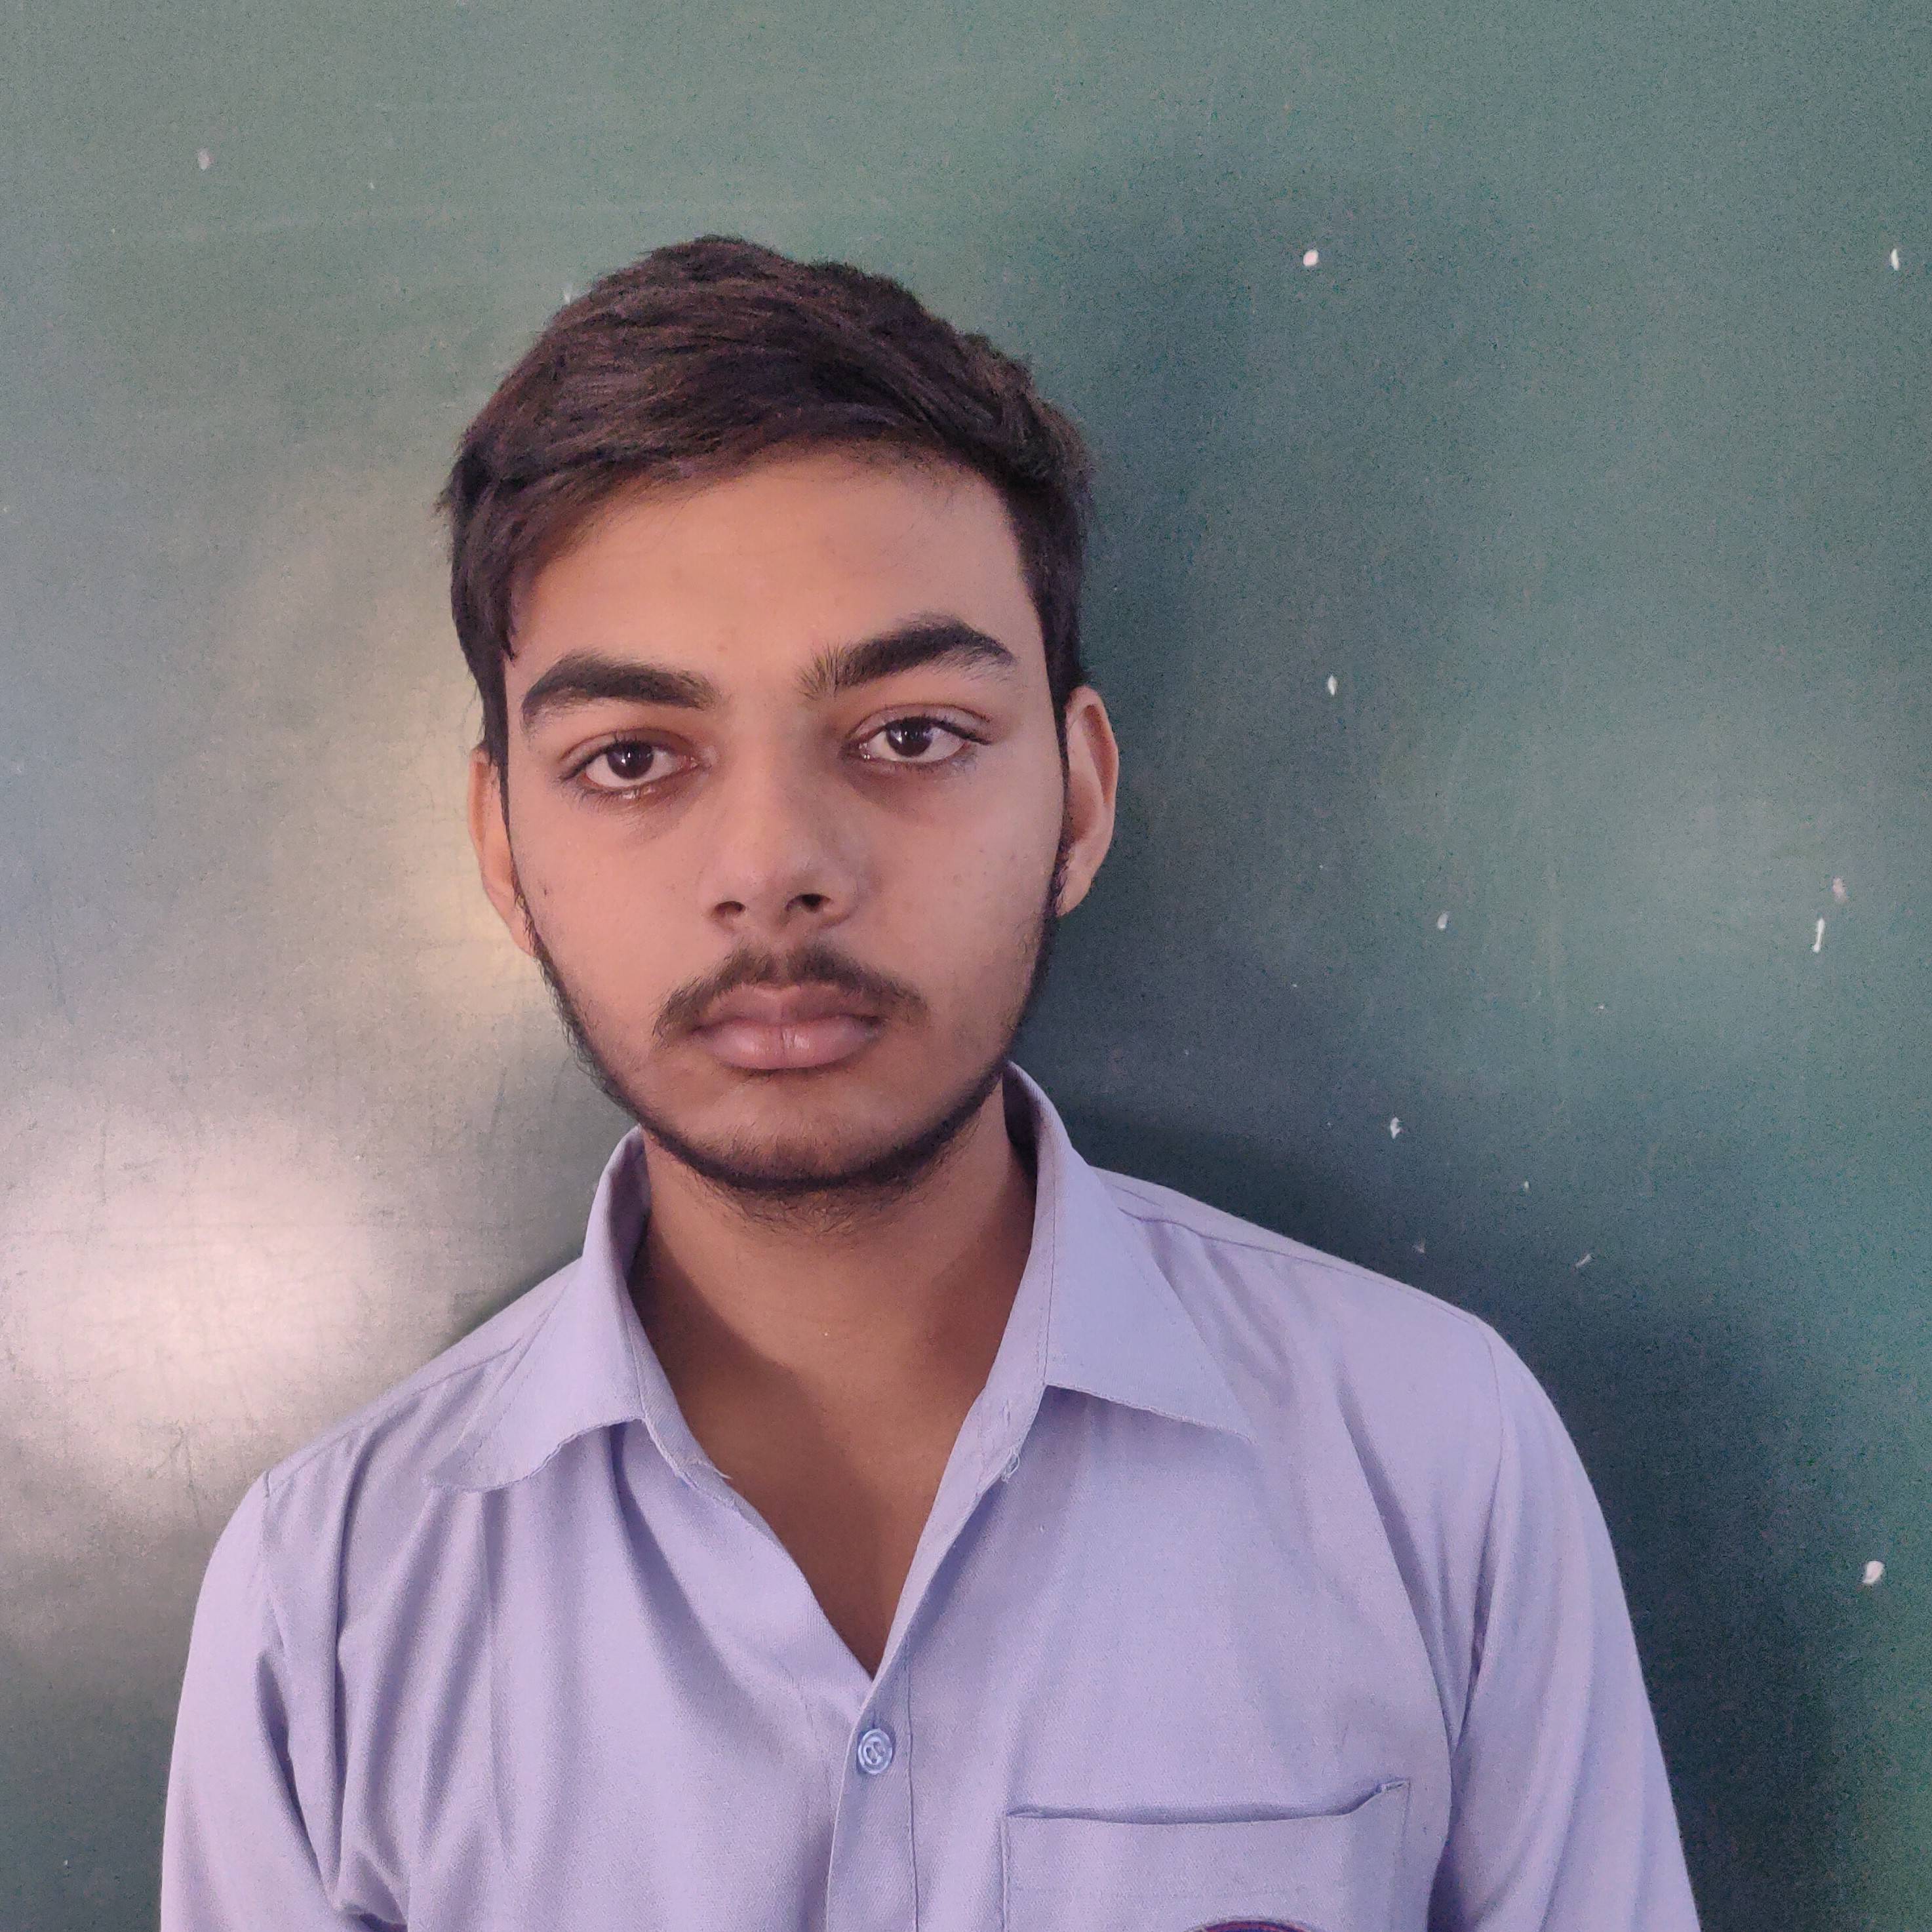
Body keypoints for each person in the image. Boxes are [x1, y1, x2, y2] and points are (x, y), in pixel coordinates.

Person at [159, 235, 1701, 1931]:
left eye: (910, 734)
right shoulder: (330, 1602)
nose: (775, 867)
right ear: (500, 847)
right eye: (632, 757)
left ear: (1080, 800)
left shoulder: (1437, 1468)